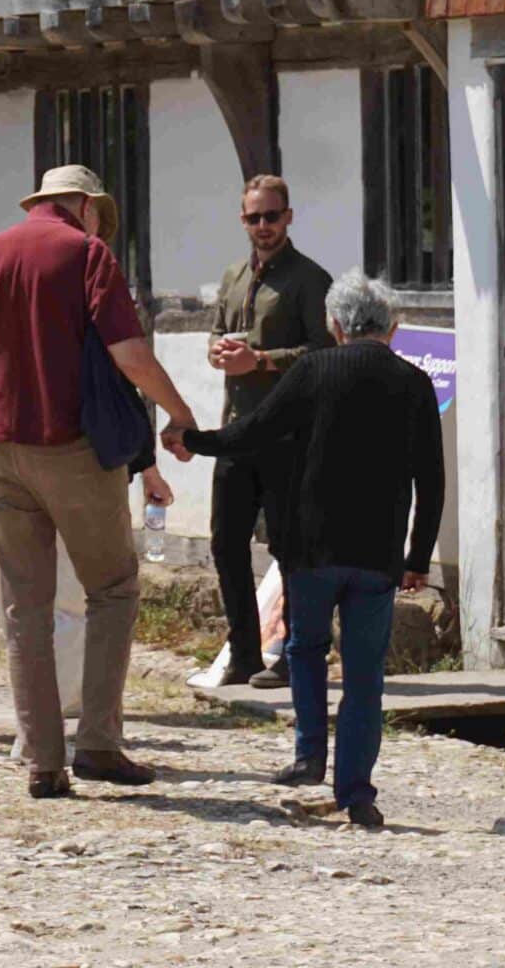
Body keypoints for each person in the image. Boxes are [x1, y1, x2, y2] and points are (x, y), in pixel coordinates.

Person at [0, 165, 196, 799]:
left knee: (25, 608)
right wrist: (180, 413)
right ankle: (100, 743)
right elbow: (130, 355)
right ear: (82, 205)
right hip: (72, 447)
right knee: (112, 588)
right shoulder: (87, 253)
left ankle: (43, 761)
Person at [171, 271, 444, 827]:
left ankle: (308, 757)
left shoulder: (313, 370)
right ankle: (357, 791)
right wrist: (418, 559)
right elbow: (431, 479)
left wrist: (193, 441)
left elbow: (255, 431)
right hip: (377, 552)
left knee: (305, 651)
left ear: (335, 325)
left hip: (310, 547)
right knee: (366, 674)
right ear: (392, 326)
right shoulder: (414, 383)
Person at [206, 174, 332, 688]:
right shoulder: (234, 274)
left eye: (272, 216)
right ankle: (244, 652)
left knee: (290, 546)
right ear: (243, 221)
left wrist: (259, 360)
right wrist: (219, 349)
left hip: (287, 435)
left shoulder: (309, 279)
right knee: (226, 543)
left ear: (288, 217)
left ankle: (297, 652)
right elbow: (217, 329)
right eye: (254, 217)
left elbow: (322, 351)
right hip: (237, 430)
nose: (263, 226)